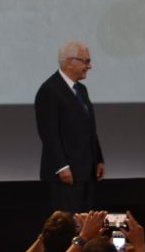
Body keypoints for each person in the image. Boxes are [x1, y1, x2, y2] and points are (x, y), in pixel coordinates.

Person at [36, 40, 105, 212]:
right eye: (86, 61)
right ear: (69, 62)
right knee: (68, 225)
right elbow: (48, 133)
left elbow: (89, 129)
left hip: (86, 171)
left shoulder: (81, 90)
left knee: (84, 224)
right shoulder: (50, 90)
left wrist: (98, 159)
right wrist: (62, 166)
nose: (89, 66)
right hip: (66, 174)